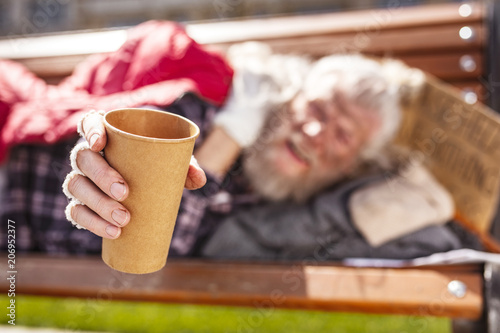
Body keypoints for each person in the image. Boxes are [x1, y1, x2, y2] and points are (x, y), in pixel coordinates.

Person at [61, 42, 473, 260]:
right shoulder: (210, 111)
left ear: (351, 166)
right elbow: (154, 229)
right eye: (316, 108)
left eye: (342, 136)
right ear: (290, 97)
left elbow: (435, 241)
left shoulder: (287, 204)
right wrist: (232, 131)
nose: (313, 132)